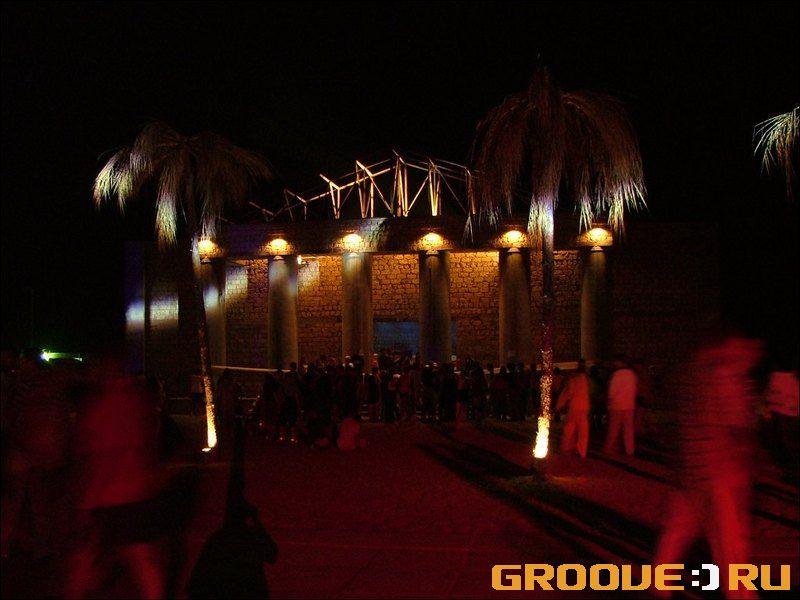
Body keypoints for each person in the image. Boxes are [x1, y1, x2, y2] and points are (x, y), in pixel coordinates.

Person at [653, 330, 764, 599]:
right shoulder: (724, 377)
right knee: (729, 543)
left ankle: (658, 585)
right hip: (719, 471)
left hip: (690, 469)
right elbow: (738, 429)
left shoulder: (687, 376)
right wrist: (745, 467)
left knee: (676, 534)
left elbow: (672, 422)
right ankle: (740, 594)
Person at [555, 359, 591, 458]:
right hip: (584, 408)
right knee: (583, 431)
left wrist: (559, 405)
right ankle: (582, 451)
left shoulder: (574, 380)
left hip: (575, 407)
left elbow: (567, 393)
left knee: (570, 428)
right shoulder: (586, 380)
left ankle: (566, 447)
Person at [602, 357, 638, 455]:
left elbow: (612, 392)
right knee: (628, 430)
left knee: (614, 429)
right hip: (629, 405)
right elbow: (635, 389)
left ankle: (608, 448)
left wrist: (609, 403)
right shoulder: (632, 374)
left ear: (619, 363)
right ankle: (630, 450)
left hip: (617, 405)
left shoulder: (616, 375)